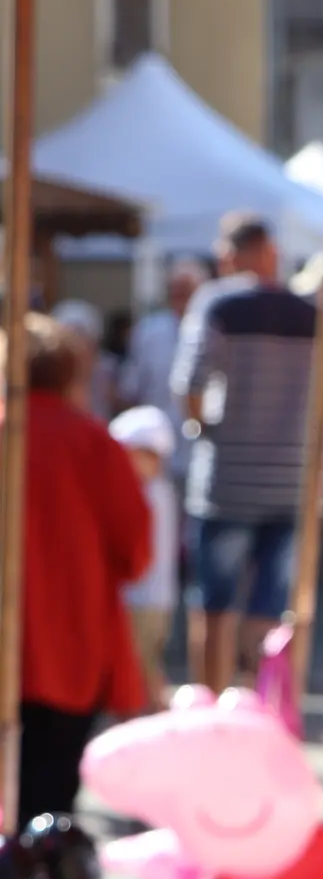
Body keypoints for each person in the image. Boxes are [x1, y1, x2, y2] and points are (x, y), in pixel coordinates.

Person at [170, 212, 323, 694]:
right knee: (268, 609)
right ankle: (255, 704)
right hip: (292, 483)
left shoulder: (218, 304)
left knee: (214, 607)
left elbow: (189, 382)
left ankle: (212, 704)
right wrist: (322, 423)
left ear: (231, 255)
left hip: (227, 483)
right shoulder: (314, 315)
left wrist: (205, 427)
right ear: (272, 254)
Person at [18, 317, 151, 831]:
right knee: (51, 800)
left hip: (47, 641)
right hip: (73, 643)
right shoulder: (92, 441)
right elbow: (134, 549)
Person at [109, 405, 180, 711]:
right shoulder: (160, 492)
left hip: (142, 600)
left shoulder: (149, 495)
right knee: (148, 669)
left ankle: (149, 720)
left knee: (139, 673)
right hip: (153, 600)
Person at [119, 258, 207, 478]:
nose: (180, 297)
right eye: (175, 291)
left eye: (186, 291)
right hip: (155, 455)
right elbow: (131, 389)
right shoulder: (148, 331)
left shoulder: (212, 330)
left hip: (199, 453)